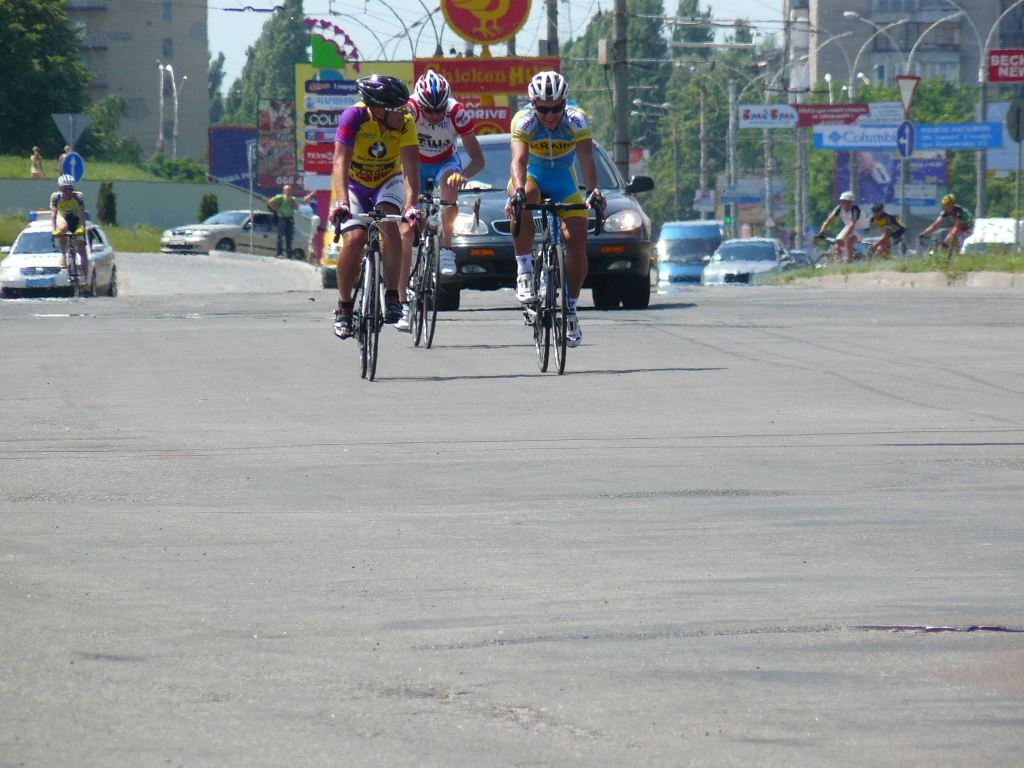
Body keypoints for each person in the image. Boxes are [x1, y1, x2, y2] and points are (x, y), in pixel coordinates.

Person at [504, 71, 605, 348]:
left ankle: (570, 309)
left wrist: (593, 191)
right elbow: (518, 160)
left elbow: (586, 158)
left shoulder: (576, 119)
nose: (550, 115)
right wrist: (518, 190)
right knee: (524, 199)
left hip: (563, 179)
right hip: (533, 176)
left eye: (556, 108)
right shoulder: (523, 120)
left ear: (564, 103)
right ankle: (524, 271)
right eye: (543, 109)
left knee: (577, 241)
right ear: (532, 104)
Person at [329, 75, 420, 340]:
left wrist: (411, 206)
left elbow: (410, 168)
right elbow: (340, 163)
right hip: (355, 184)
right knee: (355, 239)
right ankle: (345, 307)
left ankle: (392, 296)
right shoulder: (353, 117)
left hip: (387, 181)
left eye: (405, 107)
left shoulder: (406, 123)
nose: (404, 112)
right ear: (379, 110)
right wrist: (342, 202)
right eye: (398, 108)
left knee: (390, 223)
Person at [395, 69, 486, 332]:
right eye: (430, 111)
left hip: (445, 162)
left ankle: (446, 248)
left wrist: (463, 175)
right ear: (420, 104)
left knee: (449, 186)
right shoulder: (410, 110)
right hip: (415, 162)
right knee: (406, 232)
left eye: (439, 111)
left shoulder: (456, 112)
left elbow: (478, 160)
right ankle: (401, 302)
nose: (435, 116)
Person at [50, 174, 88, 284]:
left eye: (70, 189)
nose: (68, 192)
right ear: (60, 189)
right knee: (62, 229)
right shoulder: (56, 197)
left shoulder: (78, 196)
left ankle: (85, 278)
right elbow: (53, 215)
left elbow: (81, 214)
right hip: (63, 218)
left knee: (81, 248)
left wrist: (82, 228)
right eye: (65, 189)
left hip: (76, 219)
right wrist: (54, 230)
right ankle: (63, 255)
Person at [815, 191, 867, 264]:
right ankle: (834, 262)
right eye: (842, 202)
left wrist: (842, 239)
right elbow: (828, 221)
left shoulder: (855, 209)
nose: (844, 204)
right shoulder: (839, 208)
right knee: (835, 246)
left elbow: (852, 226)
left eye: (846, 202)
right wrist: (821, 232)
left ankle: (848, 264)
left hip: (861, 229)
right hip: (848, 227)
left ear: (851, 203)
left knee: (848, 241)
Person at [267, 185, 297, 259]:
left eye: (290, 190)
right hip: (282, 218)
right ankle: (279, 253)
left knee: (289, 237)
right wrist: (276, 209)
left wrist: (290, 201)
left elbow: (296, 207)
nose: (288, 192)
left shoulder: (293, 199)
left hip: (289, 218)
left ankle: (289, 254)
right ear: (284, 191)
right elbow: (270, 202)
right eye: (287, 190)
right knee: (281, 236)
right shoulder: (280, 197)